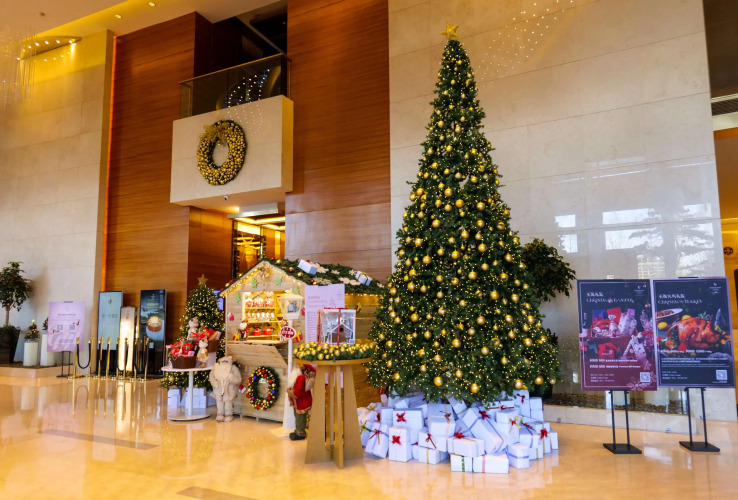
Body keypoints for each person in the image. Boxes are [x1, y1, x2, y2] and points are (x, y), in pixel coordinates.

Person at [287, 363, 315, 441]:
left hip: (301, 401)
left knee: (300, 417)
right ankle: (298, 431)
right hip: (298, 401)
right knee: (297, 416)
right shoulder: (297, 377)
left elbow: (299, 390)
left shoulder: (300, 377)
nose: (295, 367)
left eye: (297, 367)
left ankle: (300, 433)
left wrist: (290, 392)